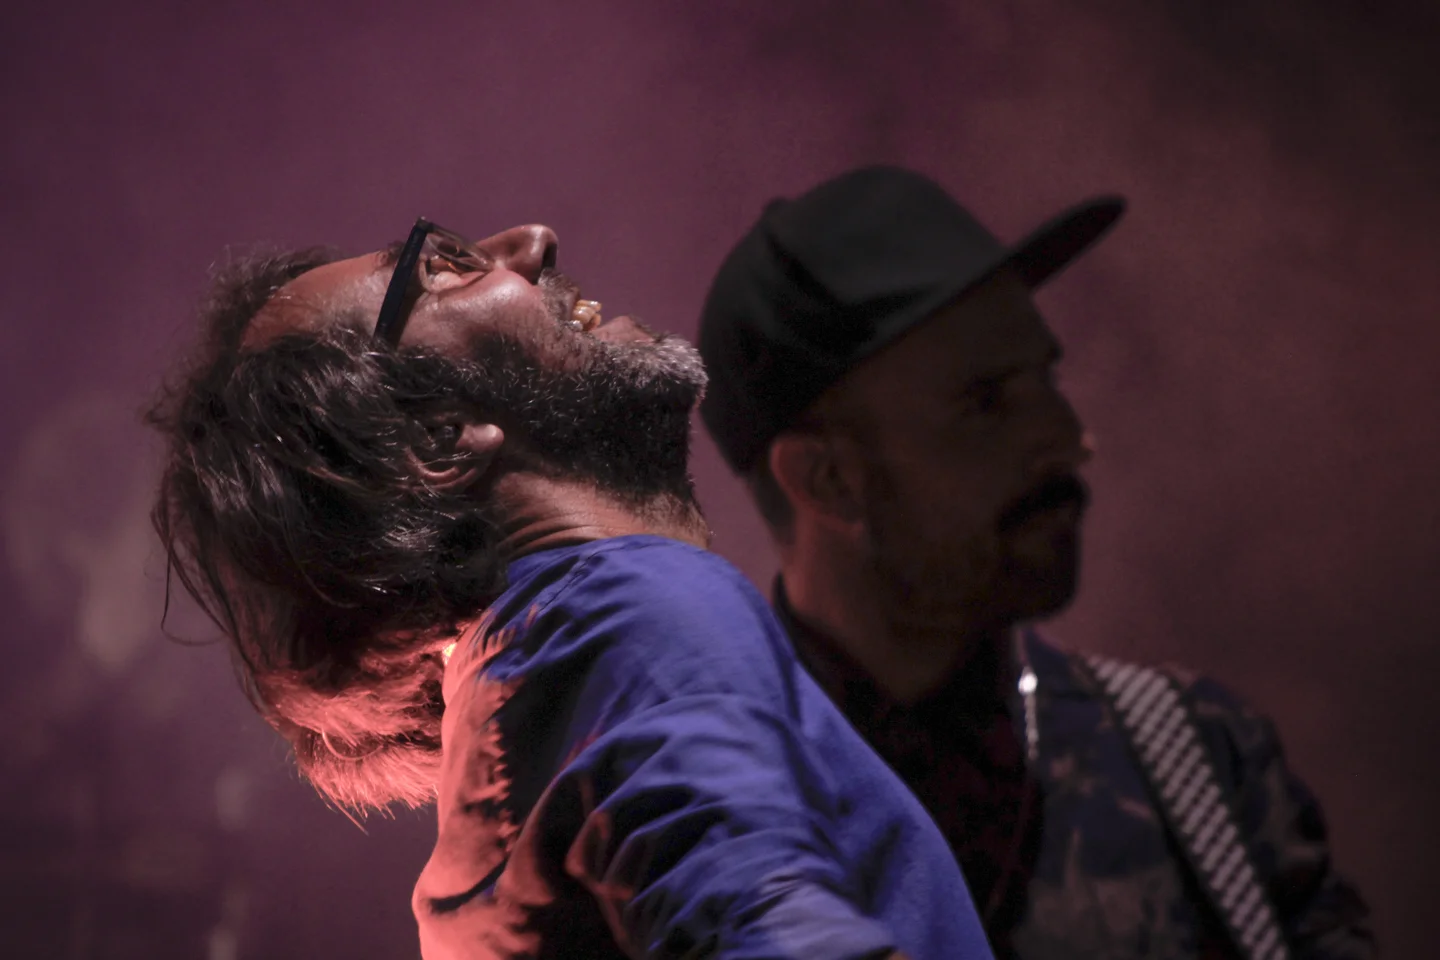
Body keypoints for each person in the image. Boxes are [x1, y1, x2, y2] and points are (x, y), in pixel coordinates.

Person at [147, 216, 996, 960]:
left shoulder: (520, 725)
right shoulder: (626, 618)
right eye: (440, 268)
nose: (531, 241)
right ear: (439, 440)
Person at [697, 166, 1374, 960]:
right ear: (827, 479)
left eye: (1046, 378)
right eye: (985, 400)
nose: (1069, 438)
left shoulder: (1196, 763)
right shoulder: (690, 812)